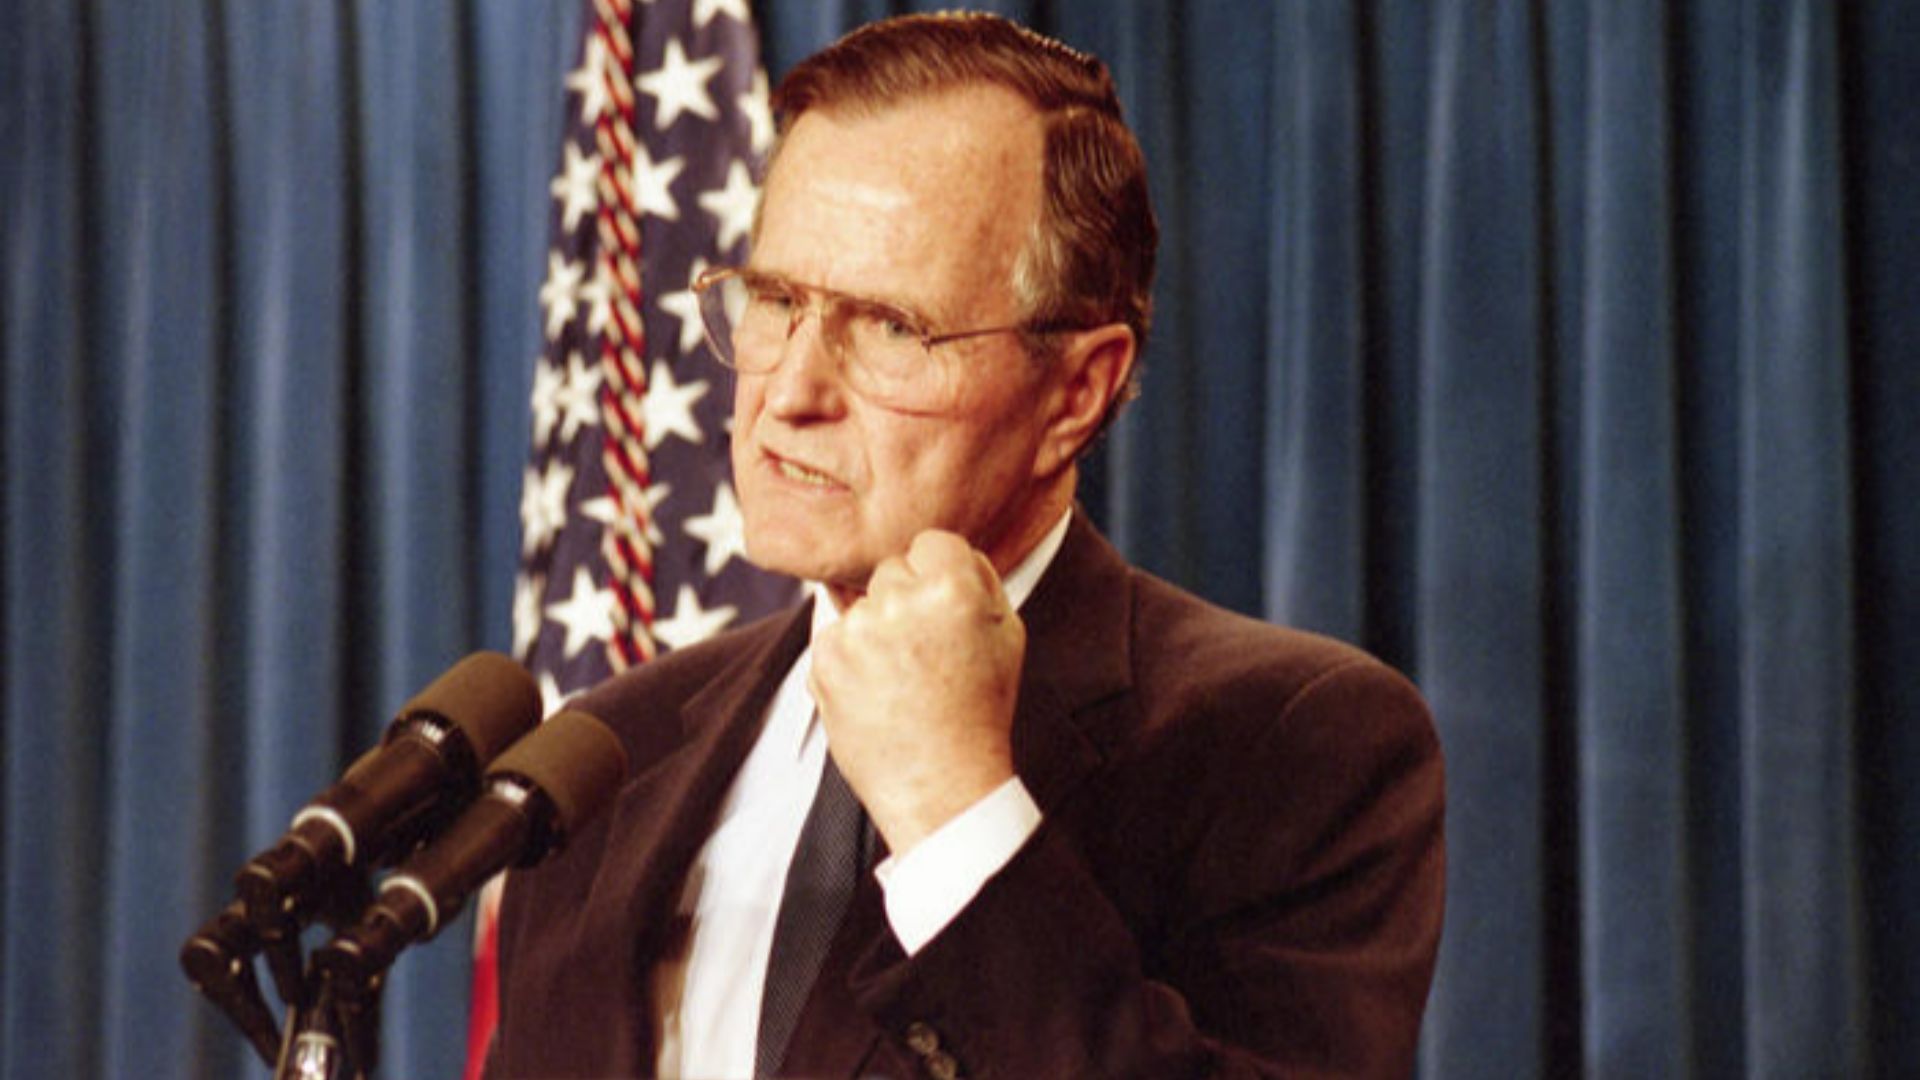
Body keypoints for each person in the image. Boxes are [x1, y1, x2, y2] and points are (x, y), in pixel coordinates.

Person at [489, 12, 1444, 1078]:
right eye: (776, 302)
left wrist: (957, 812)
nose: (788, 396)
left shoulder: (1294, 747)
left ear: (1075, 392)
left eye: (891, 328)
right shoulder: (617, 753)